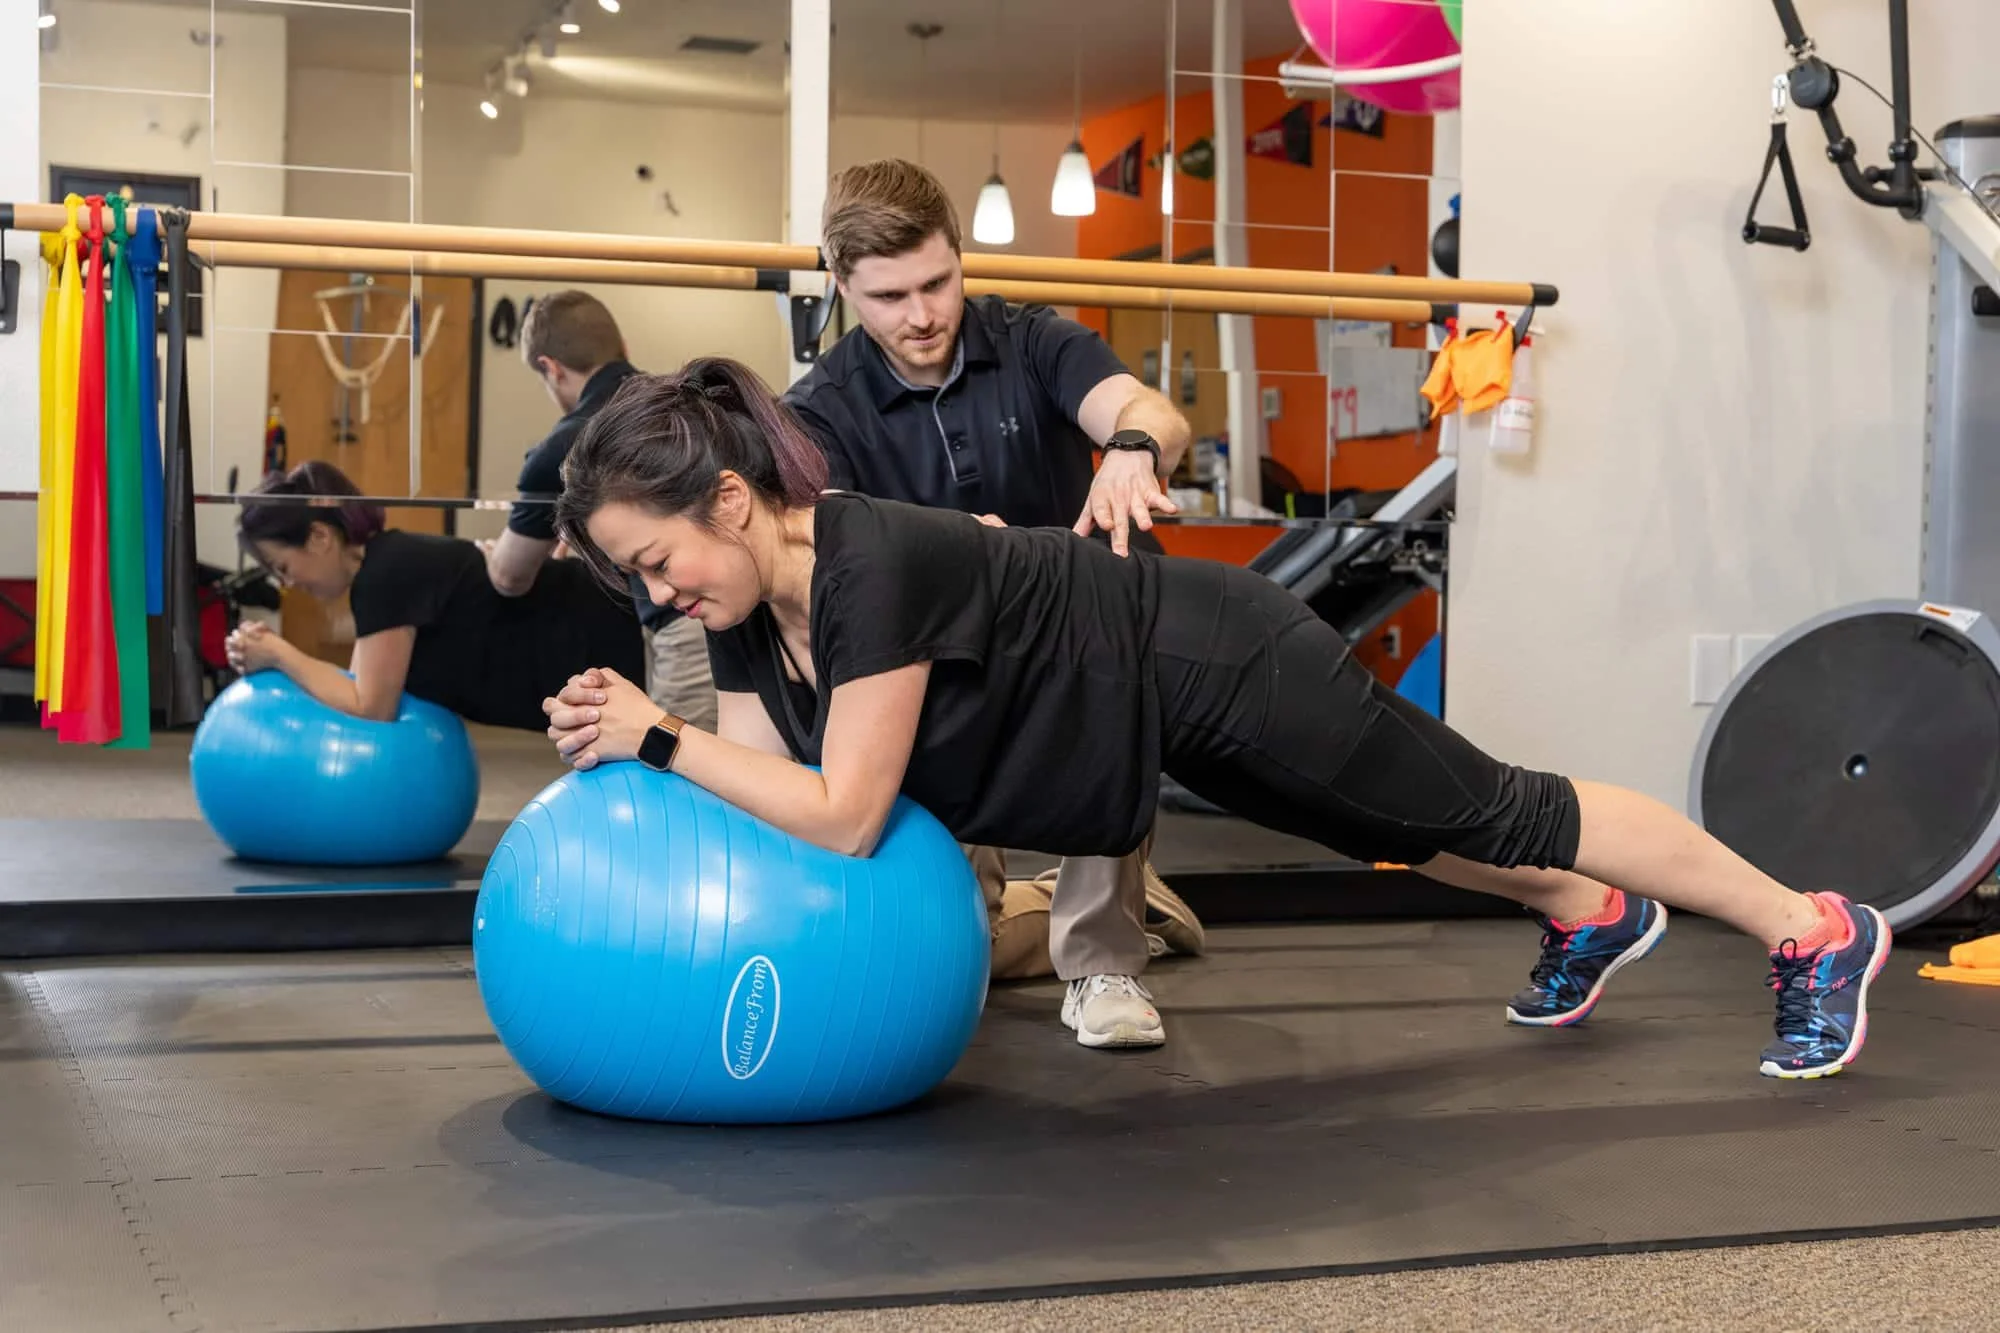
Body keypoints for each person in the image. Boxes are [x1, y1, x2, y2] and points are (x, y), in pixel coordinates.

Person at [539, 359, 1892, 1082]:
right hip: (1150, 715)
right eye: (634, 583)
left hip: (1214, 657)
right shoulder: (741, 619)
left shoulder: (865, 564)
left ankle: (1815, 927)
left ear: (723, 501)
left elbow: (840, 815)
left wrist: (655, 734)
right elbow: (770, 796)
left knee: (1492, 801)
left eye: (657, 562)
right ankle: (1588, 913)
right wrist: (647, 723)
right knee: (1382, 828)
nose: (660, 596)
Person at [780, 157, 1206, 1050]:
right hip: (938, 670)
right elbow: (827, 566)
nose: (923, 315)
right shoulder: (817, 411)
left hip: (1076, 641)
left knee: (1112, 636)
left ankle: (1102, 955)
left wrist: (1132, 445)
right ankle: (1082, 903)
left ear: (960, 257)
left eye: (937, 282)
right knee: (944, 949)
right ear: (842, 285)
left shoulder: (1034, 340)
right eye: (890, 297)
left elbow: (1146, 408)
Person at [224, 459, 643, 729]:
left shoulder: (384, 573)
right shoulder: (385, 566)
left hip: (628, 633)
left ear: (318, 537)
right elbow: (358, 685)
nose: (288, 583)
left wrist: (279, 653)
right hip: (613, 636)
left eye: (282, 567)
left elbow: (371, 707)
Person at [483, 290, 718, 732]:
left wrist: (490, 553)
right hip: (753, 614)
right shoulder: (689, 403)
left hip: (689, 626)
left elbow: (509, 576)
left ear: (548, 367)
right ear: (623, 348)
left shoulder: (563, 447)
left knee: (686, 780)